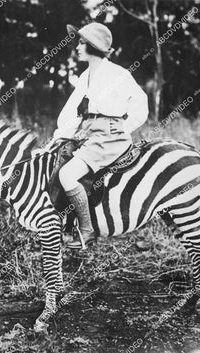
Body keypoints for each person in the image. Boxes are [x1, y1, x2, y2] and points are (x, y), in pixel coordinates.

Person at [54, 22, 149, 249]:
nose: (77, 46)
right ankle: (64, 223)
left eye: (82, 43)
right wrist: (61, 135)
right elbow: (71, 112)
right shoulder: (86, 76)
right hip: (88, 132)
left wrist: (125, 128)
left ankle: (86, 230)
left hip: (108, 138)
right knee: (58, 159)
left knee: (67, 175)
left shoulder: (118, 74)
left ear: (94, 47)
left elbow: (141, 103)